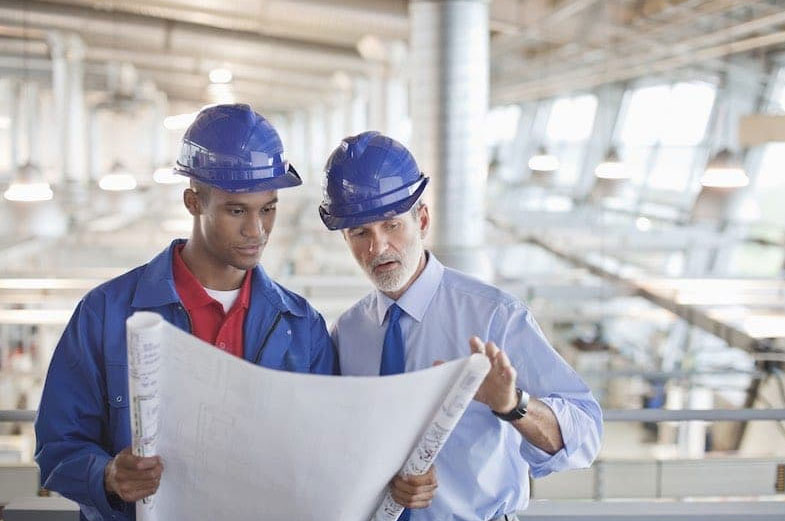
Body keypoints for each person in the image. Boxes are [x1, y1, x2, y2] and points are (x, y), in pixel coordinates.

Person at [34, 104, 338, 521]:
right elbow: (57, 448)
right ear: (193, 202)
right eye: (237, 210)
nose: (257, 230)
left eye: (268, 208)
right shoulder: (105, 314)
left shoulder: (302, 327)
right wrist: (107, 475)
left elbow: (325, 457)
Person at [319, 131, 603, 521]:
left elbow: (585, 435)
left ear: (421, 219)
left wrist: (512, 405)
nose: (378, 247)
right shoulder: (349, 333)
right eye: (359, 233)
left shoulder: (494, 316)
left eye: (391, 225)